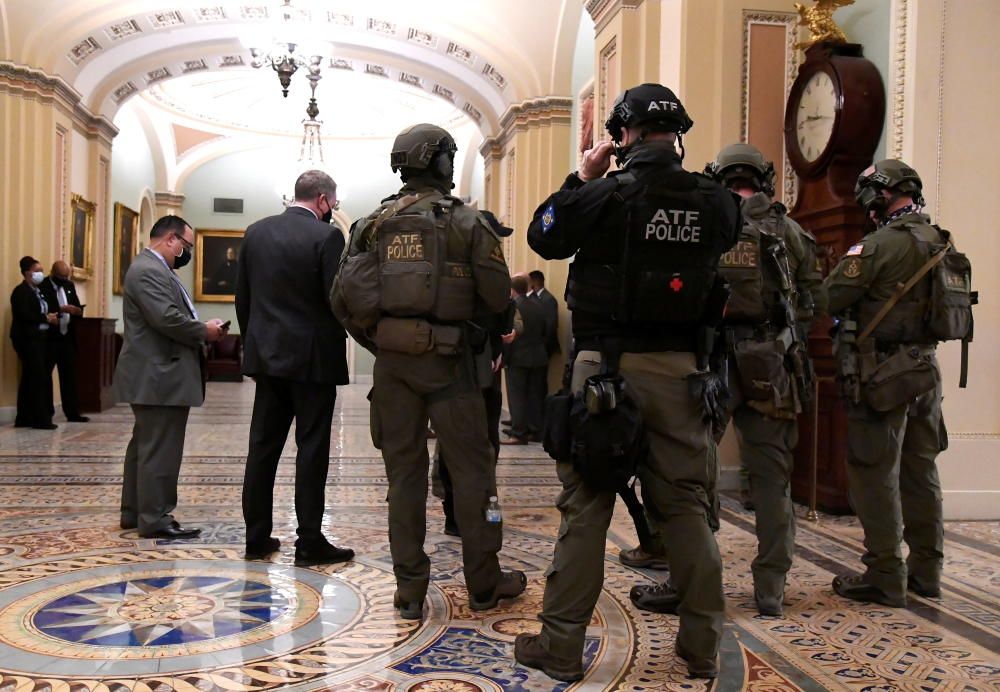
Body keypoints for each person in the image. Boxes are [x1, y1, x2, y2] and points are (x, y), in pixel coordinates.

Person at [514, 83, 740, 681]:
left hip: (605, 374)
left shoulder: (605, 195)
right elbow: (720, 241)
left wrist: (582, 178)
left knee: (587, 507)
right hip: (684, 374)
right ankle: (700, 646)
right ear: (678, 136)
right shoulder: (717, 201)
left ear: (624, 136)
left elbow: (544, 235)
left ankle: (561, 646)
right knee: (688, 508)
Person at [333, 123, 526, 621]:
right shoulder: (466, 221)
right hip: (454, 368)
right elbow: (496, 296)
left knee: (404, 480)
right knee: (474, 478)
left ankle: (409, 591)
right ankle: (484, 583)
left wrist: (385, 342)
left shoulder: (371, 224)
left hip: (393, 371)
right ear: (441, 162)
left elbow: (342, 300)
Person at [825, 159, 962, 607]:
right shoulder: (940, 240)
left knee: (873, 471)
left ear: (879, 195)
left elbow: (829, 297)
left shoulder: (879, 246)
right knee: (921, 470)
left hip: (884, 373)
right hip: (927, 370)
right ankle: (928, 570)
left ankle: (885, 573)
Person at [706, 142, 824, 615]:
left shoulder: (711, 227)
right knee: (773, 478)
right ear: (765, 180)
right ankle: (771, 587)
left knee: (695, 469)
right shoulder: (790, 232)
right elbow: (814, 304)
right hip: (771, 363)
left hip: (713, 359)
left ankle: (692, 574)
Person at [237, 169, 353, 566]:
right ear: (322, 200)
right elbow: (335, 299)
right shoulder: (327, 236)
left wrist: (254, 346)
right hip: (313, 362)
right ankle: (309, 542)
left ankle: (256, 537)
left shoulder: (255, 232)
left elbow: (244, 299)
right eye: (332, 204)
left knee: (262, 448)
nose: (332, 210)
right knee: (312, 449)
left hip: (267, 358)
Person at [114, 215, 227, 538]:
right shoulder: (149, 270)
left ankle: (135, 512)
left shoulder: (154, 269)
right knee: (160, 449)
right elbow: (166, 319)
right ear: (171, 239)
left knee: (145, 446)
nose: (186, 252)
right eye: (185, 245)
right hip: (158, 374)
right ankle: (155, 518)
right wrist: (204, 331)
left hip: (156, 373)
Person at [435, 210, 515, 536]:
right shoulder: (481, 278)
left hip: (469, 366)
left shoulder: (450, 275)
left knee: (458, 444)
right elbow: (499, 312)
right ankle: (475, 516)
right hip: (476, 370)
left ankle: (460, 514)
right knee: (479, 446)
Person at [9, 256, 59, 430]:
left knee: (30, 377)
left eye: (41, 271)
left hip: (40, 339)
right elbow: (24, 315)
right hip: (27, 340)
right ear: (27, 272)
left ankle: (24, 416)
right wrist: (45, 318)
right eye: (37, 270)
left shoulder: (38, 291)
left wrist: (50, 317)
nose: (40, 274)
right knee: (37, 377)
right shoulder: (20, 292)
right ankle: (40, 419)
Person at [501, 274, 549, 444]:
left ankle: (518, 433)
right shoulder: (539, 304)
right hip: (539, 357)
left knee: (517, 396)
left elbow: (509, 333)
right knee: (535, 396)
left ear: (512, 290)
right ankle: (535, 430)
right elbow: (546, 331)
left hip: (518, 358)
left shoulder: (514, 306)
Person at [40, 261, 89, 423]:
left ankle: (72, 412)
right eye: (61, 276)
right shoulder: (44, 286)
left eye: (66, 276)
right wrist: (61, 309)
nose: (64, 279)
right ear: (53, 273)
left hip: (67, 336)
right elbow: (43, 308)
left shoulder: (69, 285)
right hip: (50, 338)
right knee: (45, 376)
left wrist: (76, 310)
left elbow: (76, 305)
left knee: (69, 376)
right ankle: (46, 413)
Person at [528, 269, 560, 358]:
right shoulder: (536, 297)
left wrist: (543, 348)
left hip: (543, 349)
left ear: (532, 283)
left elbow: (551, 326)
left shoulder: (548, 299)